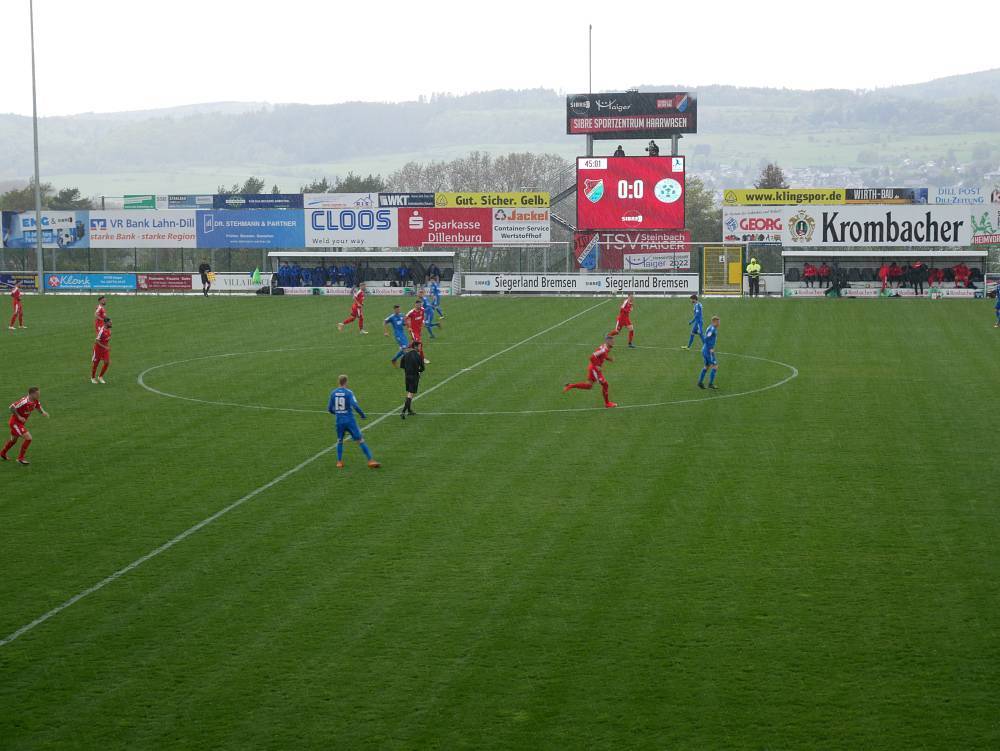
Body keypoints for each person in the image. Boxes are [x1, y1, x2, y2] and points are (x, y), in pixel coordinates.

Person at [327, 374, 379, 469]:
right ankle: (370, 461)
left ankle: (339, 462)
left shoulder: (333, 393)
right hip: (350, 421)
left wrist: (338, 413)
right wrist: (362, 415)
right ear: (346, 382)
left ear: (339, 382)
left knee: (339, 440)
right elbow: (355, 405)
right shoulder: (349, 392)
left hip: (339, 421)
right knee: (360, 440)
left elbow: (329, 409)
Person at [563, 335, 617, 408]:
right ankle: (607, 403)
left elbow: (603, 355)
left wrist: (609, 359)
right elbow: (591, 357)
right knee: (605, 385)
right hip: (595, 369)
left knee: (589, 386)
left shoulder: (606, 348)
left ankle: (571, 385)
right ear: (607, 341)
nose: (614, 342)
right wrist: (597, 366)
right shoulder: (603, 349)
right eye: (612, 341)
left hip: (592, 368)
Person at [2, 386, 49, 465]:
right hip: (15, 423)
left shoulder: (35, 400)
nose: (39, 395)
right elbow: (12, 407)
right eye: (37, 394)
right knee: (28, 438)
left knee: (13, 441)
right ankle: (20, 458)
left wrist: (43, 412)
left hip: (20, 423)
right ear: (31, 394)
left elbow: (38, 406)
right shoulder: (24, 401)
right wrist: (19, 417)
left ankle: (2, 453)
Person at [399, 340, 425, 420]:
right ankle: (403, 411)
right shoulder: (418, 356)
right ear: (416, 347)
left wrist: (407, 370)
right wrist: (418, 371)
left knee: (409, 393)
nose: (420, 348)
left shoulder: (406, 355)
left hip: (407, 376)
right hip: (414, 377)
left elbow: (402, 365)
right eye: (420, 347)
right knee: (410, 394)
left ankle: (409, 410)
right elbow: (422, 368)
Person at [698, 315, 720, 390]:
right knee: (715, 366)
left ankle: (700, 382)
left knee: (707, 366)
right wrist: (710, 348)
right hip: (708, 351)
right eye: (718, 322)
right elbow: (706, 339)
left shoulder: (711, 327)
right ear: (714, 322)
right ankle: (710, 384)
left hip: (705, 349)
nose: (719, 323)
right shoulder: (712, 329)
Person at [404, 298, 429, 363]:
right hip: (413, 331)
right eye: (417, 305)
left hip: (419, 330)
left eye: (419, 305)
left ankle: (405, 351)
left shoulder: (422, 309)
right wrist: (408, 327)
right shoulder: (412, 312)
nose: (418, 306)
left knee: (413, 343)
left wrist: (423, 322)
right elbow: (405, 318)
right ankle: (422, 359)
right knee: (419, 344)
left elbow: (423, 316)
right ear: (415, 305)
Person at [91, 318, 112, 384]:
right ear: (105, 323)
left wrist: (106, 346)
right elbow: (96, 341)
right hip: (98, 350)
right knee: (95, 365)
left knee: (107, 362)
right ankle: (93, 378)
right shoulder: (101, 331)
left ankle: (100, 377)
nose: (111, 323)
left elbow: (106, 340)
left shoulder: (109, 331)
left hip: (105, 350)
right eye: (110, 322)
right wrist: (105, 347)